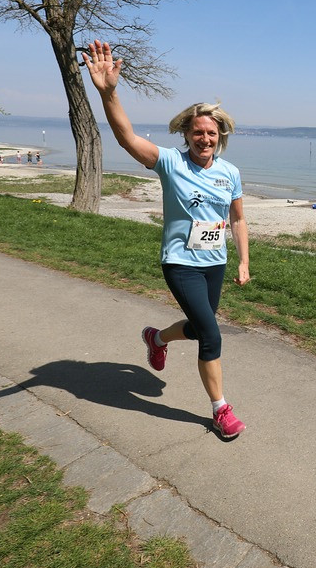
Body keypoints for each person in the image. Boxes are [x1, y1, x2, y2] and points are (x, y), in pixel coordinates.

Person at [82, 39, 250, 439]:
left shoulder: (231, 173)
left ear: (220, 134)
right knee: (210, 333)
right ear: (186, 134)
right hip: (180, 262)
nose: (204, 139)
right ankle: (220, 410)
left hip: (215, 262)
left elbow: (239, 219)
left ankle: (156, 338)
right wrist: (109, 93)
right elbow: (126, 138)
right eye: (197, 133)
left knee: (197, 326)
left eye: (211, 133)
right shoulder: (171, 163)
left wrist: (243, 261)